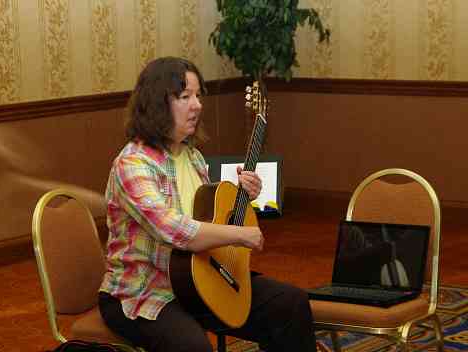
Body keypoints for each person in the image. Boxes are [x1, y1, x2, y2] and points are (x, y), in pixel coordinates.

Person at [98, 56, 317, 352]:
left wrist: (240, 196)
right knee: (193, 347)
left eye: (198, 95)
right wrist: (240, 234)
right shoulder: (133, 164)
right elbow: (177, 231)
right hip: (144, 293)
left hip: (199, 279)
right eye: (185, 96)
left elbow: (209, 218)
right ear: (157, 103)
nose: (197, 105)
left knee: (290, 304)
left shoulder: (193, 157)